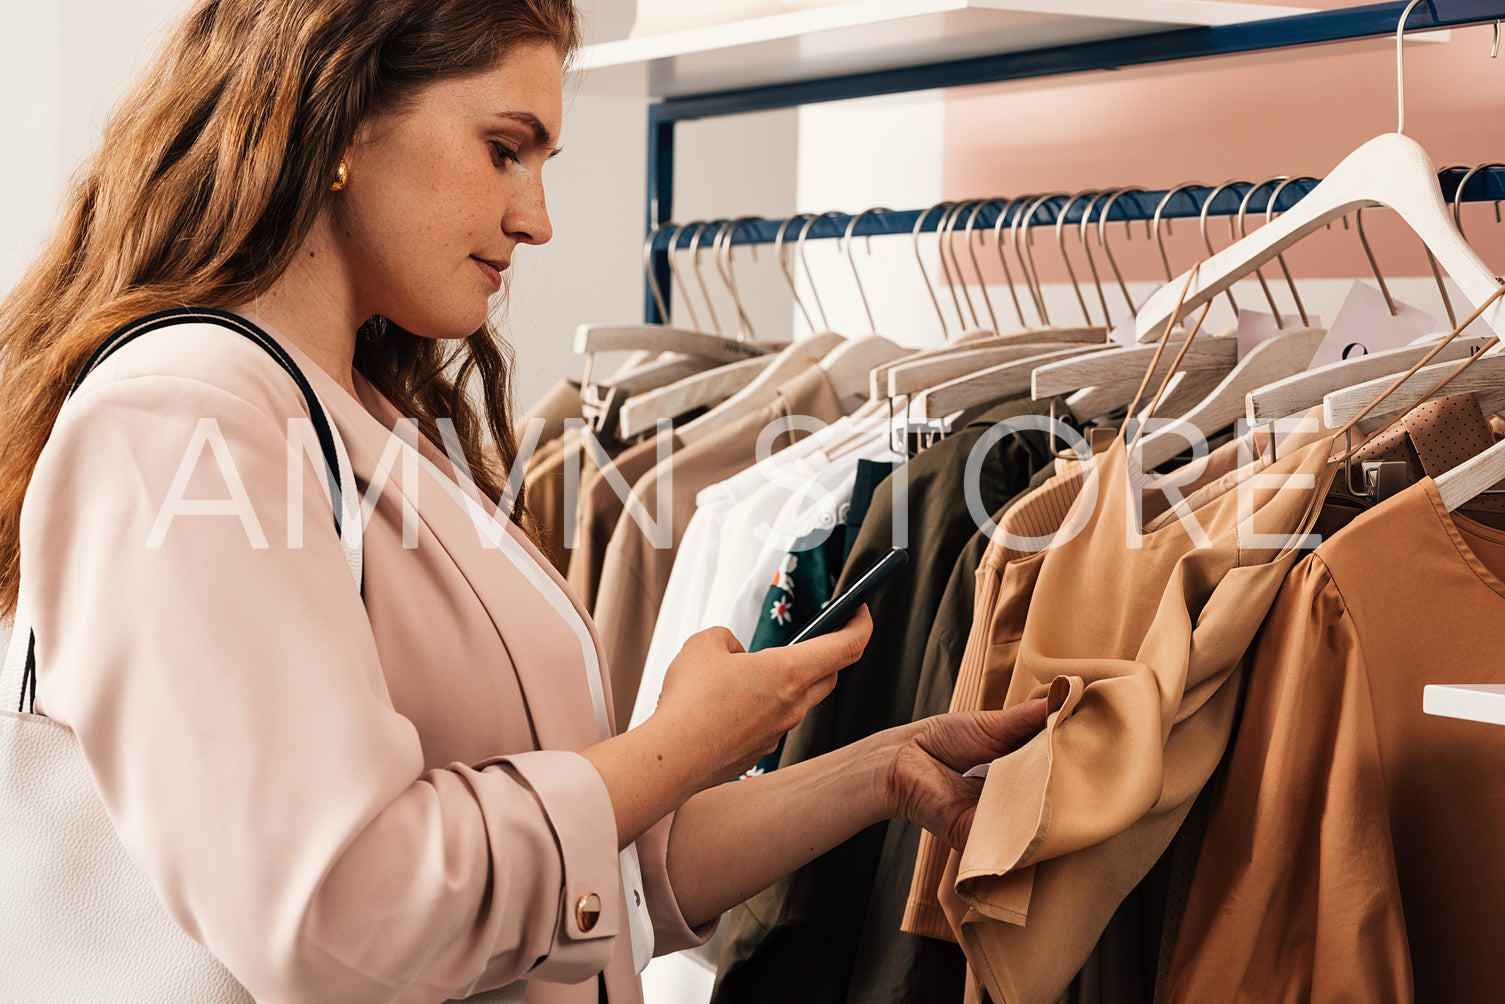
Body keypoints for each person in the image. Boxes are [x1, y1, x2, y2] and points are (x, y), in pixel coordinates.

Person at [0, 1, 1049, 1000]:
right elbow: (337, 913)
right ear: (337, 113)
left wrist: (875, 770)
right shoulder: (187, 419)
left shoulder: (360, 419)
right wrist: (679, 741)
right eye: (505, 147)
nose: (535, 218)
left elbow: (575, 893)